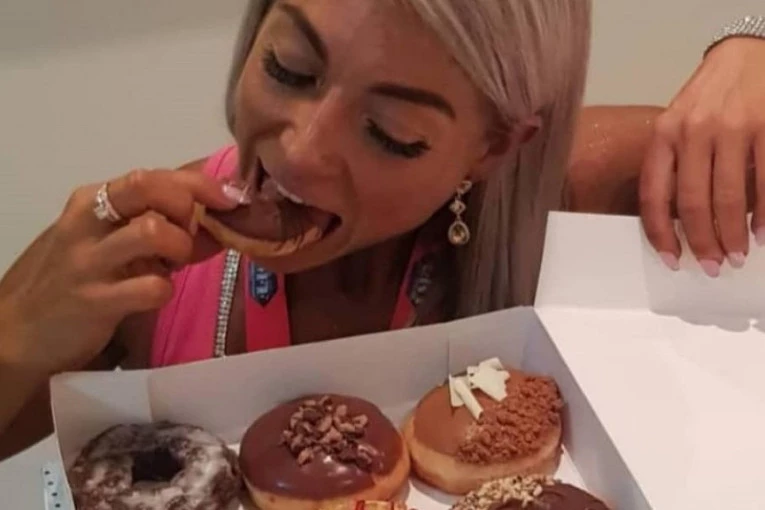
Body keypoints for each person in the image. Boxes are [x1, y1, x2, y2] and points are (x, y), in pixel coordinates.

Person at [0, 0, 764, 459]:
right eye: (288, 68)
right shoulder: (143, 270)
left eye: (390, 132)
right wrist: (15, 338)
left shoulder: (571, 198)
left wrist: (751, 42)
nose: (299, 150)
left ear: (495, 147)